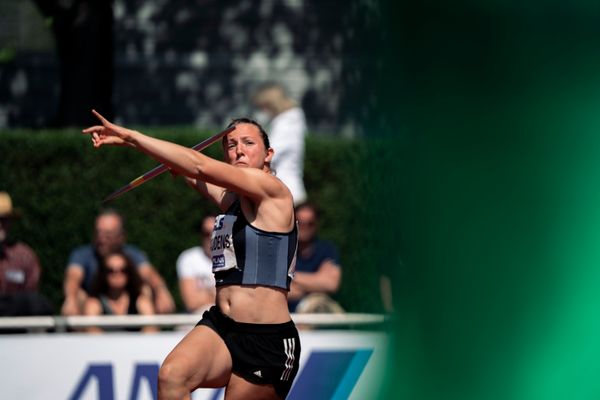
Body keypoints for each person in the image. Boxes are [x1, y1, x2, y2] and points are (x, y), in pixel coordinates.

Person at [84, 111, 301, 399]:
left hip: (266, 341)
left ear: (268, 154)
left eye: (248, 143)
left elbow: (197, 164)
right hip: (223, 327)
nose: (238, 150)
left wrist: (131, 136)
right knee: (172, 376)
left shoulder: (274, 192)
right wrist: (153, 153)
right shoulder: (231, 200)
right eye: (231, 144)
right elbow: (187, 166)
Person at [61, 209, 175, 316]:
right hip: (93, 309)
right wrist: (70, 299)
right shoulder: (82, 254)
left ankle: (149, 332)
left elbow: (149, 274)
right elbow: (73, 277)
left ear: (121, 236)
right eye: (98, 232)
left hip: (128, 307)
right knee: (80, 296)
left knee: (145, 291)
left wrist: (161, 290)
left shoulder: (133, 254)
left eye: (107, 234)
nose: (101, 238)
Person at [252, 82, 307, 205]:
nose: (262, 111)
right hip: (284, 189)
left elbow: (271, 153)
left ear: (271, 104)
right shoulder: (287, 121)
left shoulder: (288, 122)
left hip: (287, 190)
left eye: (263, 107)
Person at [0, 192, 53, 317]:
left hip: (16, 329)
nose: (0, 224)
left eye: (5, 220)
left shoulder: (24, 256)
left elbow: (32, 299)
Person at [288, 202, 343, 313]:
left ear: (316, 224)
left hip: (317, 318)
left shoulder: (326, 250)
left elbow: (331, 284)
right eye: (300, 222)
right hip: (286, 317)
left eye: (310, 223)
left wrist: (288, 276)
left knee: (317, 304)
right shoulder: (282, 250)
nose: (305, 227)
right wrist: (315, 284)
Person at [83, 251, 157, 333]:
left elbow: (151, 330)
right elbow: (91, 332)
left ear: (129, 273)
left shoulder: (141, 301)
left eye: (123, 270)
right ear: (103, 274)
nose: (117, 274)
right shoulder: (94, 303)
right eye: (111, 270)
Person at [176, 215, 217, 313]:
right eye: (206, 233)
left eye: (215, 232)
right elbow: (191, 302)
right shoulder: (188, 258)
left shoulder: (236, 258)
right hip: (196, 320)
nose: (211, 237)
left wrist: (207, 293)